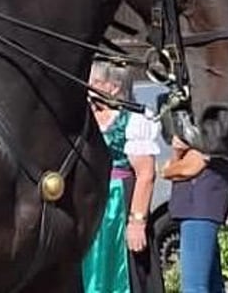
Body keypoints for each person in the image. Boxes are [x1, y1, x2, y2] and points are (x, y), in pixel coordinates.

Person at [82, 60, 164, 293]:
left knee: (122, 269)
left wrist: (137, 221)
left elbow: (146, 174)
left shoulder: (132, 120)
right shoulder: (84, 118)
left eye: (95, 83)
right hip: (88, 204)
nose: (88, 87)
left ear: (114, 87)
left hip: (117, 201)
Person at [163, 136, 228, 293]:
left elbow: (187, 168)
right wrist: (177, 156)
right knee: (212, 284)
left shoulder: (212, 133)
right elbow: (176, 169)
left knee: (194, 286)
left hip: (200, 204)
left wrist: (173, 164)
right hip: (199, 203)